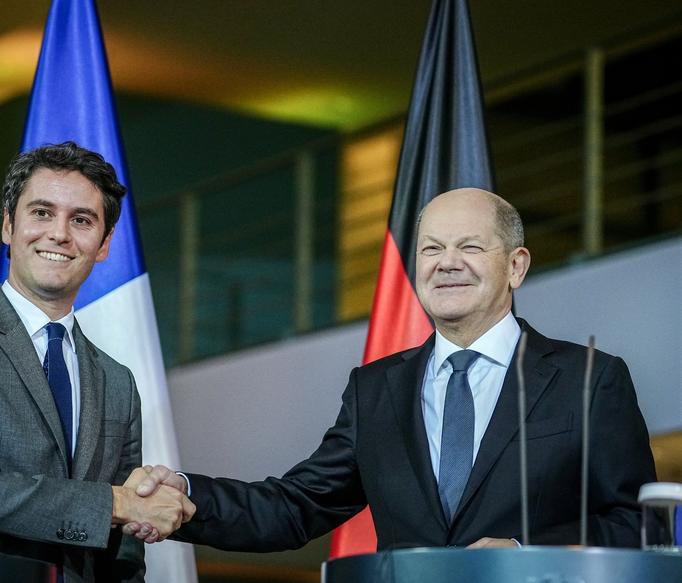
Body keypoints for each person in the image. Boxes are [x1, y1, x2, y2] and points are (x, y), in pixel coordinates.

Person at [129, 188, 656, 550]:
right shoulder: (375, 389)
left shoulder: (589, 379)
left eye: (469, 246)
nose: (446, 262)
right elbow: (293, 507)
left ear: (516, 265)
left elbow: (639, 524)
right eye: (431, 248)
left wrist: (525, 553)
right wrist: (187, 493)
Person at [0, 142, 194, 583]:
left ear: (104, 244)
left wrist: (136, 511)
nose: (59, 233)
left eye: (81, 220)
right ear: (7, 225)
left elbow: (125, 549)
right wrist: (118, 504)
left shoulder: (118, 381)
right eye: (41, 212)